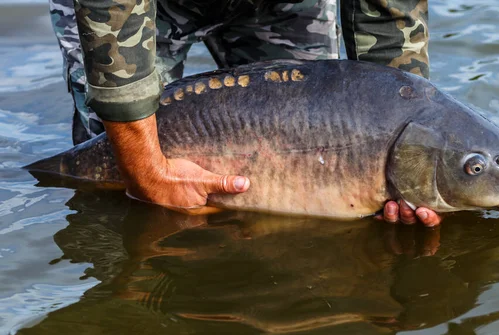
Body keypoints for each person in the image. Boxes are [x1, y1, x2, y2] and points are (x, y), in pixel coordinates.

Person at [49, 0, 440, 225]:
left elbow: (389, 14)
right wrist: (146, 170)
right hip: (132, 9)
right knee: (112, 162)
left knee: (317, 159)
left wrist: (408, 152)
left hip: (278, 5)